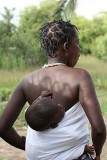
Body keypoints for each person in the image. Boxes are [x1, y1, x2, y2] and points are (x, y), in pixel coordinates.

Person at [0, 20, 106, 160]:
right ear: (66, 46)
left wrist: (29, 146)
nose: (79, 50)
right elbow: (99, 129)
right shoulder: (81, 77)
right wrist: (97, 153)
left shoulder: (27, 82)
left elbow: (2, 128)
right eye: (77, 43)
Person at [25, 90, 95, 158]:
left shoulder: (37, 122)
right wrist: (83, 149)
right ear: (54, 125)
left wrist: (40, 98)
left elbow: (32, 109)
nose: (61, 106)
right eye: (59, 110)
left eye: (57, 103)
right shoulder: (65, 134)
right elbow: (71, 147)